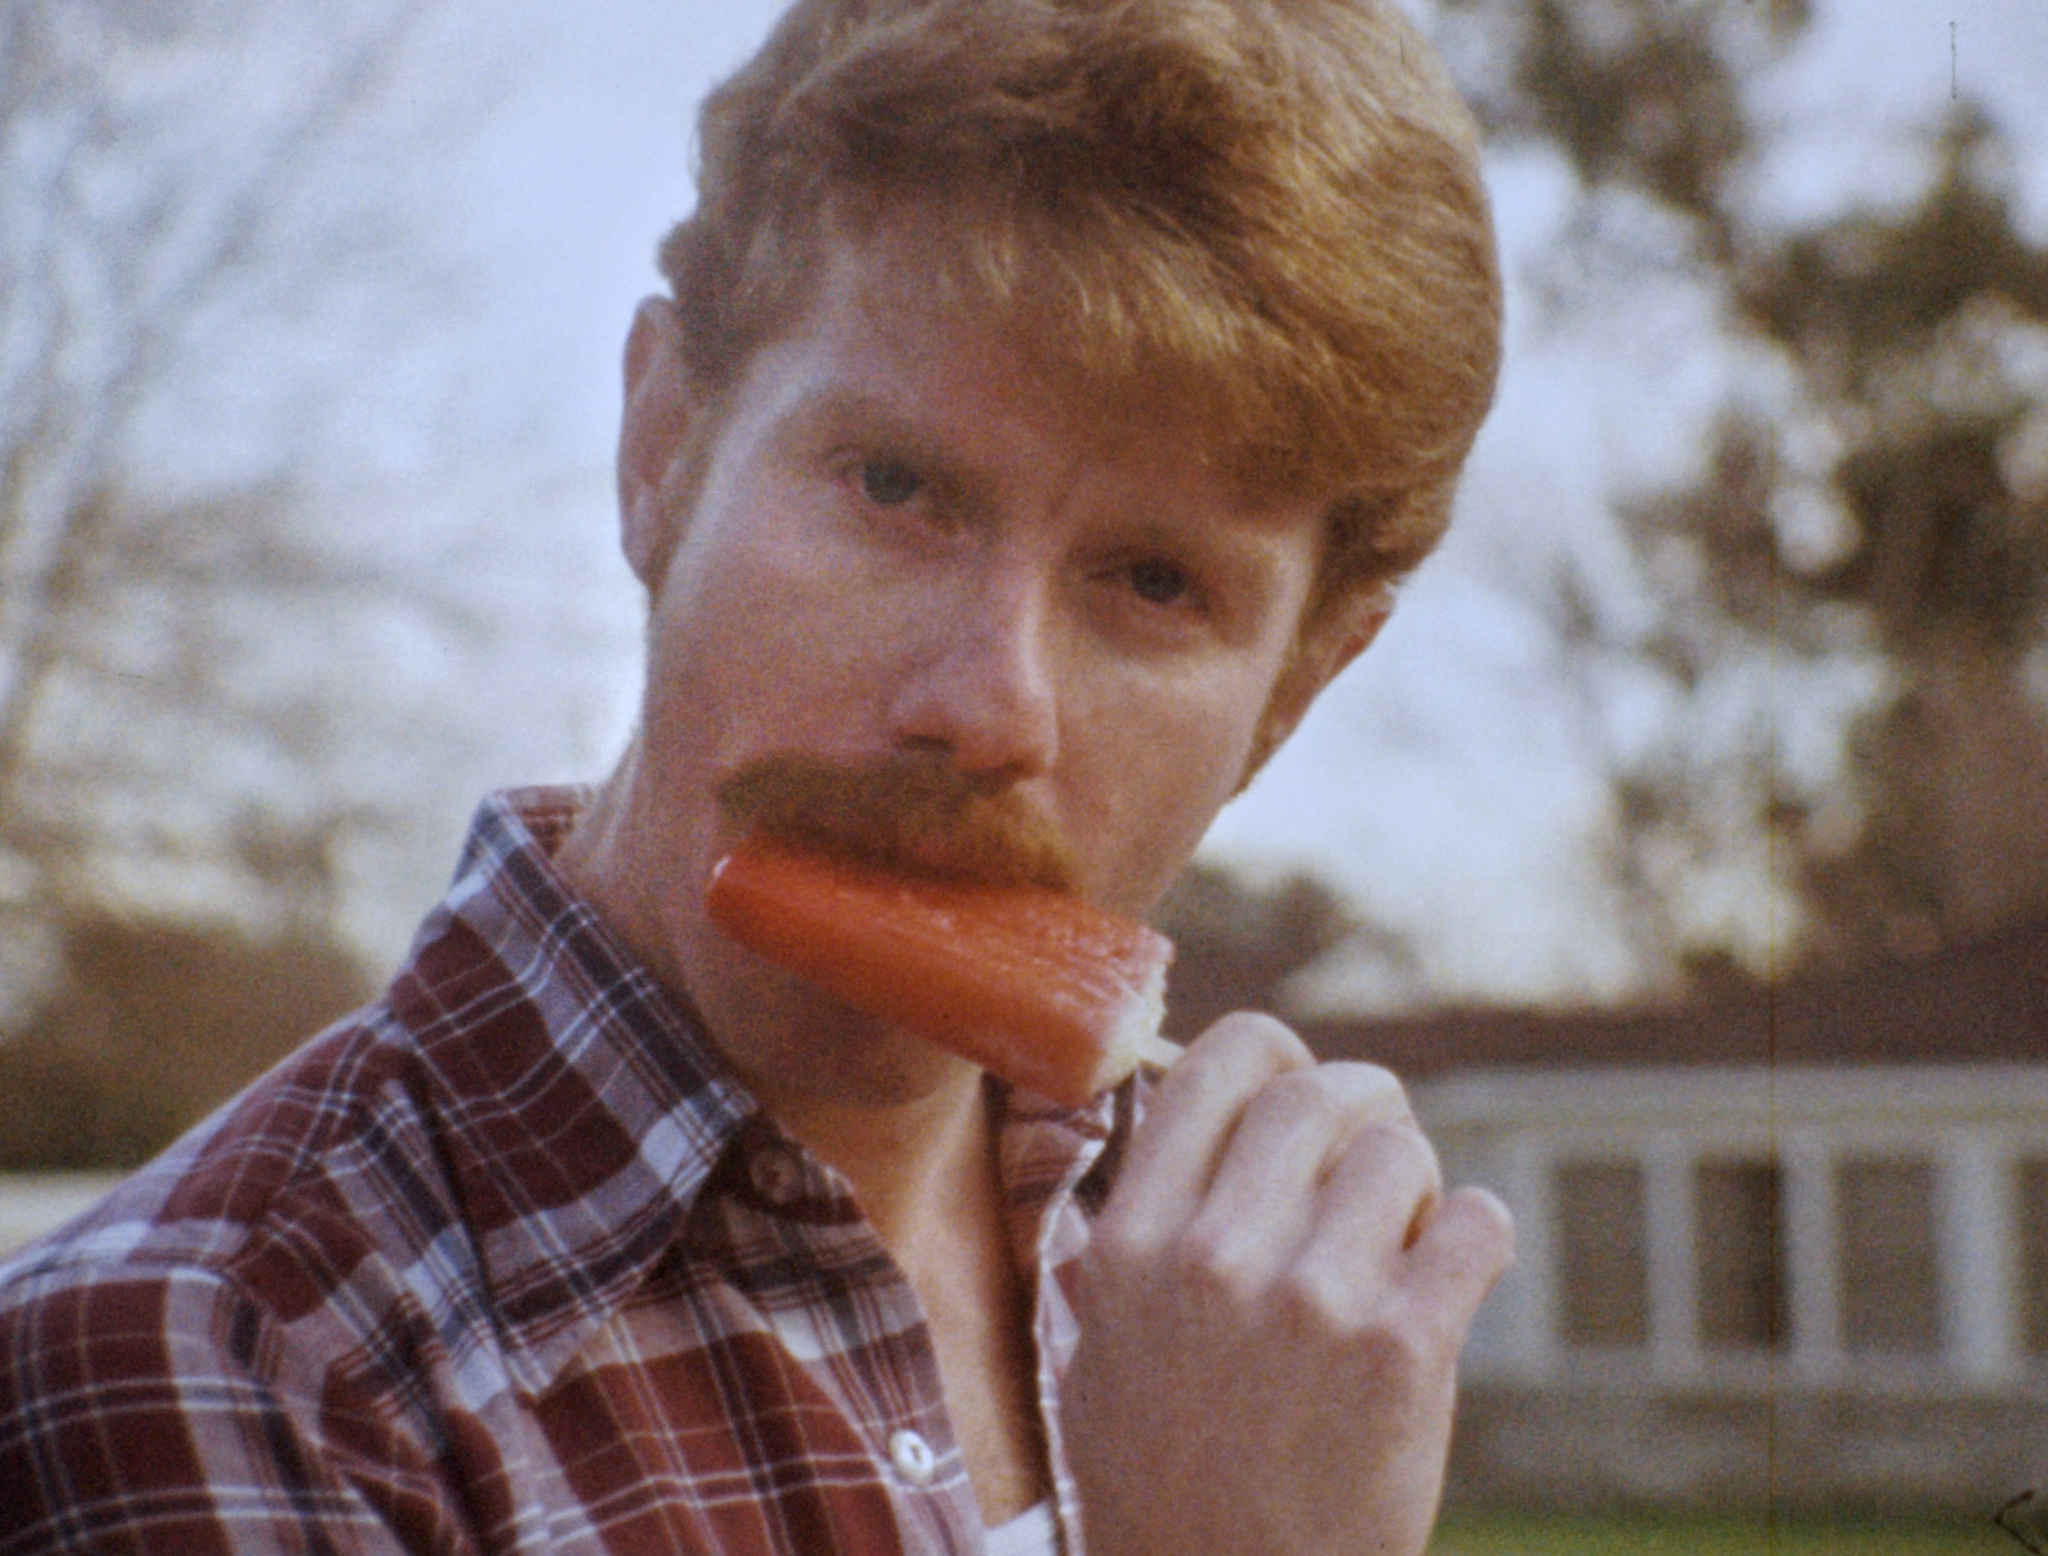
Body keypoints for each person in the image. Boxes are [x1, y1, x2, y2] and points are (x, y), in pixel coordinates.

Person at [0, 1, 1512, 1551]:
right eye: (897, 486)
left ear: (1296, 691)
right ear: (663, 446)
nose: (989, 708)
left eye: (1154, 582)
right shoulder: (220, 1362)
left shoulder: (1234, 1312)